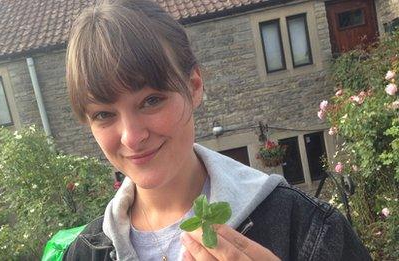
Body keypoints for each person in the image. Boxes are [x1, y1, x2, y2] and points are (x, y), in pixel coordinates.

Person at [63, 0, 371, 260]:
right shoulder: (82, 253)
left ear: (194, 87)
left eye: (151, 100)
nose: (131, 136)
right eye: (104, 114)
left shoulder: (308, 228)